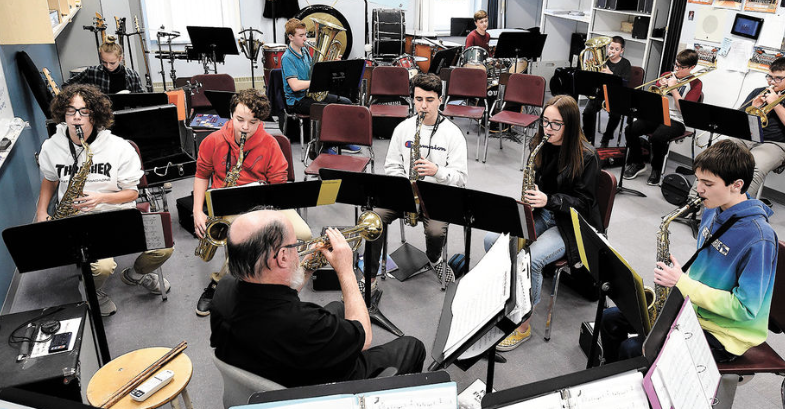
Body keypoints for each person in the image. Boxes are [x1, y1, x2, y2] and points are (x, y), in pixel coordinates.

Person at [601, 139, 777, 363]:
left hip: (726, 333)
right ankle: (614, 378)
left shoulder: (759, 238)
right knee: (610, 319)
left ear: (737, 185)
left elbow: (745, 309)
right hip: (694, 309)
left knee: (634, 349)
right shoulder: (713, 209)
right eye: (698, 180)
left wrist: (682, 283)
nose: (699, 189)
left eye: (708, 183)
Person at [210, 210, 426, 387]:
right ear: (283, 257)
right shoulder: (306, 324)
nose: (299, 250)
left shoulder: (224, 289)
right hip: (319, 385)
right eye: (295, 246)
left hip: (266, 361)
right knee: (413, 346)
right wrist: (346, 271)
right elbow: (365, 336)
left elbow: (274, 298)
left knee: (336, 307)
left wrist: (306, 269)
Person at [36, 84, 172, 316]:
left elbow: (132, 193)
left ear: (95, 114)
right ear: (63, 114)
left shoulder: (118, 147)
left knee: (164, 247)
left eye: (84, 111)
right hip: (79, 219)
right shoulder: (52, 147)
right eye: (71, 111)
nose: (77, 118)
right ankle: (91, 290)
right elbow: (50, 179)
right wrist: (41, 212)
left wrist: (101, 198)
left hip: (118, 213)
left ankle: (135, 275)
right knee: (103, 266)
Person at [485, 95, 602, 351]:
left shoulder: (588, 156)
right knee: (491, 240)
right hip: (542, 212)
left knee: (533, 259)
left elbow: (584, 203)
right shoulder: (541, 144)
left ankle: (523, 324)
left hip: (570, 224)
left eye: (555, 124)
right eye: (545, 122)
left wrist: (549, 199)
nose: (547, 129)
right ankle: (507, 298)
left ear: (571, 125)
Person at [193, 89, 312, 317]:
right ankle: (219, 284)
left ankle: (278, 284)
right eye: (240, 120)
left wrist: (266, 209)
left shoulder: (270, 144)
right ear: (231, 114)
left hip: (264, 202)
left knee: (304, 233)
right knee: (245, 244)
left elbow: (278, 184)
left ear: (261, 121)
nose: (245, 127)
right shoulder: (212, 141)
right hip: (226, 202)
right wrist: (198, 211)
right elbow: (201, 175)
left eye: (253, 122)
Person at [363, 73, 468, 291]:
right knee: (373, 219)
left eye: (430, 100)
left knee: (435, 232)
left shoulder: (453, 134)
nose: (423, 106)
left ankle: (435, 258)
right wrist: (405, 184)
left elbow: (460, 178)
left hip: (437, 197)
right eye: (419, 99)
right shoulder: (403, 129)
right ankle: (370, 279)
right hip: (404, 195)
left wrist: (437, 171)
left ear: (441, 100)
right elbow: (391, 165)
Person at [623, 49, 703, 186]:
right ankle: (638, 162)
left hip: (677, 120)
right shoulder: (667, 75)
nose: (676, 69)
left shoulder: (696, 84)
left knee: (658, 137)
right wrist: (661, 87)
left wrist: (674, 89)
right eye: (676, 65)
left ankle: (656, 169)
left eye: (681, 67)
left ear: (692, 68)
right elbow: (653, 99)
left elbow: (683, 110)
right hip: (657, 114)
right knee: (630, 129)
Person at [281, 18, 359, 155]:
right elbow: (294, 85)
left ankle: (342, 141)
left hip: (310, 94)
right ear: (291, 37)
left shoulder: (304, 51)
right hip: (297, 101)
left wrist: (332, 63)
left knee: (347, 103)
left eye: (305, 34)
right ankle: (325, 147)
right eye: (301, 35)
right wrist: (316, 82)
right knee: (327, 109)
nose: (305, 38)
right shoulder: (287, 58)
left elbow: (315, 70)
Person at [735, 57, 785, 196]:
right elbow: (738, 120)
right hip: (748, 136)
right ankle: (694, 206)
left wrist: (776, 104)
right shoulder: (759, 91)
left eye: (778, 78)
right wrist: (753, 107)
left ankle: (738, 213)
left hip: (775, 143)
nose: (771, 82)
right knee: (715, 156)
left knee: (753, 168)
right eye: (769, 77)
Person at [581, 36, 632, 147]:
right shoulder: (602, 60)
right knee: (587, 112)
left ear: (622, 51)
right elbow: (592, 80)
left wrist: (611, 75)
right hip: (600, 94)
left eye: (616, 49)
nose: (612, 51)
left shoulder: (625, 64)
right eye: (611, 48)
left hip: (615, 96)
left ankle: (606, 138)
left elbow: (625, 83)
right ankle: (587, 138)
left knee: (615, 115)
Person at [63, 41, 144, 94]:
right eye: (104, 62)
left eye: (112, 63)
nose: (108, 66)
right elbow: (66, 86)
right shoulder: (92, 72)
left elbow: (141, 98)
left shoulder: (132, 75)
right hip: (100, 116)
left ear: (120, 59)